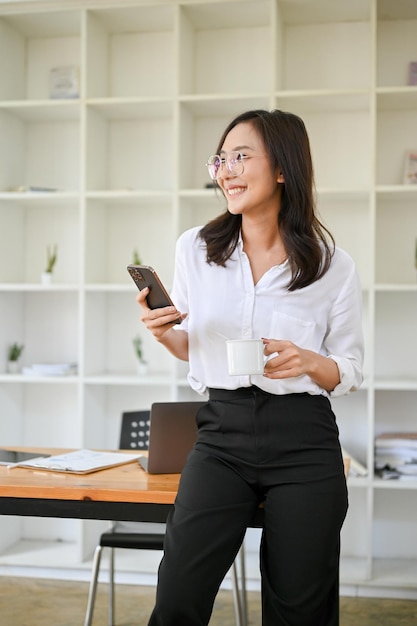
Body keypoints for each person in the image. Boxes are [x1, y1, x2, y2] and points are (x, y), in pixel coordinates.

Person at [136, 109, 364, 626]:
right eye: (222, 158)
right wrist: (164, 332)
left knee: (299, 610)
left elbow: (350, 369)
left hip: (304, 441)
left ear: (283, 168)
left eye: (242, 156)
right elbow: (191, 346)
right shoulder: (195, 249)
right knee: (177, 599)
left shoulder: (332, 264)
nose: (227, 170)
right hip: (222, 435)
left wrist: (309, 360)